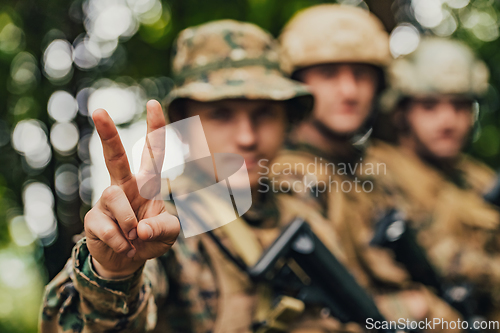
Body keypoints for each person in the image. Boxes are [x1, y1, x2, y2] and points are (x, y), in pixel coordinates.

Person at [39, 19, 369, 333]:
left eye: (264, 114)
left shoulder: (306, 199)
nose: (247, 137)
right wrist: (113, 274)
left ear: (287, 120)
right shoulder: (163, 219)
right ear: (185, 123)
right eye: (221, 115)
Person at [275, 4, 461, 330]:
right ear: (296, 82)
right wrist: (418, 307)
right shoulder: (284, 174)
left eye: (361, 75)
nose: (349, 91)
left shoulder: (376, 169)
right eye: (329, 74)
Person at [367, 37, 500, 321]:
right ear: (402, 113)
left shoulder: (478, 178)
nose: (447, 121)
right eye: (430, 106)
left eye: (460, 106)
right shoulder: (375, 170)